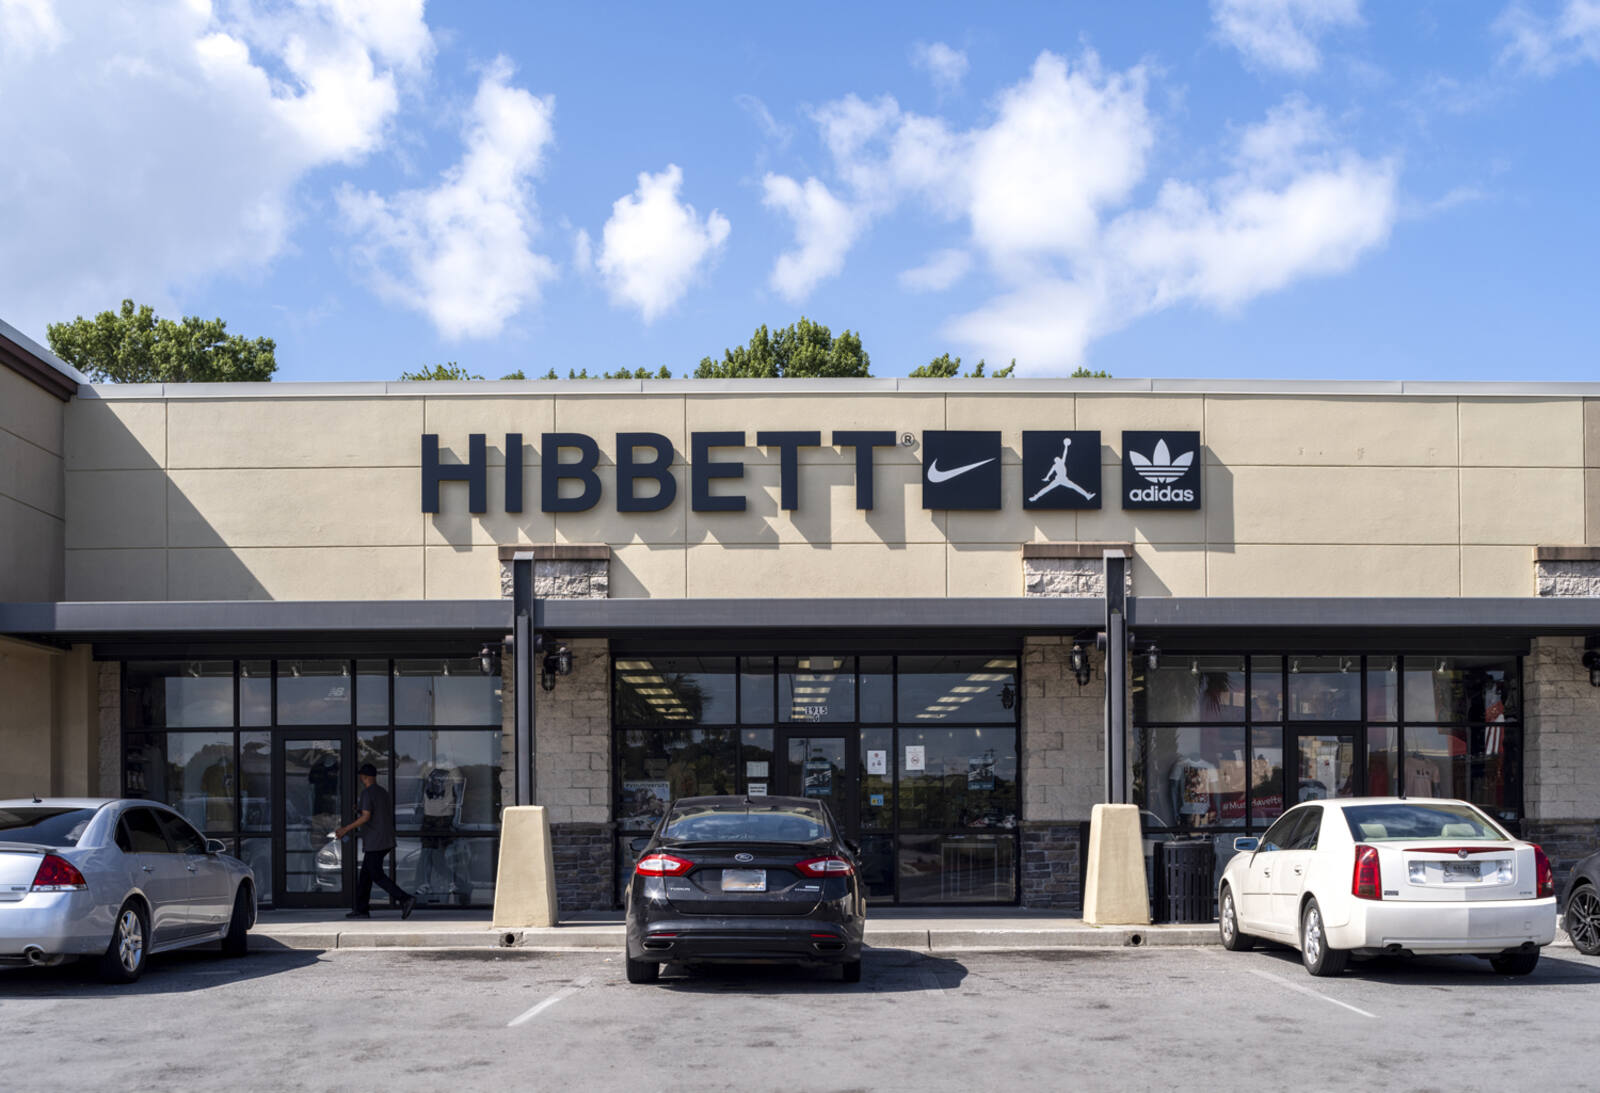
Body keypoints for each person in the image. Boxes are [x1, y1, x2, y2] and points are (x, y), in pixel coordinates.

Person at [333, 763, 415, 920]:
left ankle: (405, 899)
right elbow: (375, 812)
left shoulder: (367, 793)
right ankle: (361, 909)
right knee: (365, 875)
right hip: (385, 839)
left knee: (376, 874)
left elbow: (366, 817)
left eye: (361, 776)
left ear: (364, 777)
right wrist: (360, 809)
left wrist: (345, 829)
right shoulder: (382, 792)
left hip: (375, 841)